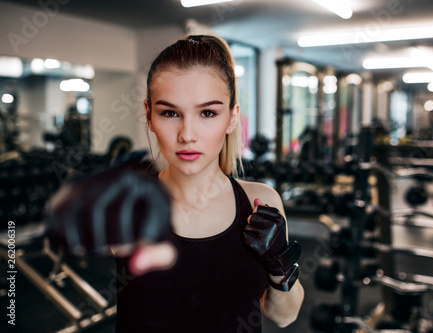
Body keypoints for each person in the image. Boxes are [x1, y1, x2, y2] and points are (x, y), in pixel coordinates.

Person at [47, 34, 304, 333]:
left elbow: (285, 316)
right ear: (149, 116)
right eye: (170, 113)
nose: (187, 134)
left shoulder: (261, 202)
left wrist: (278, 262)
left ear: (232, 118)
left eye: (208, 113)